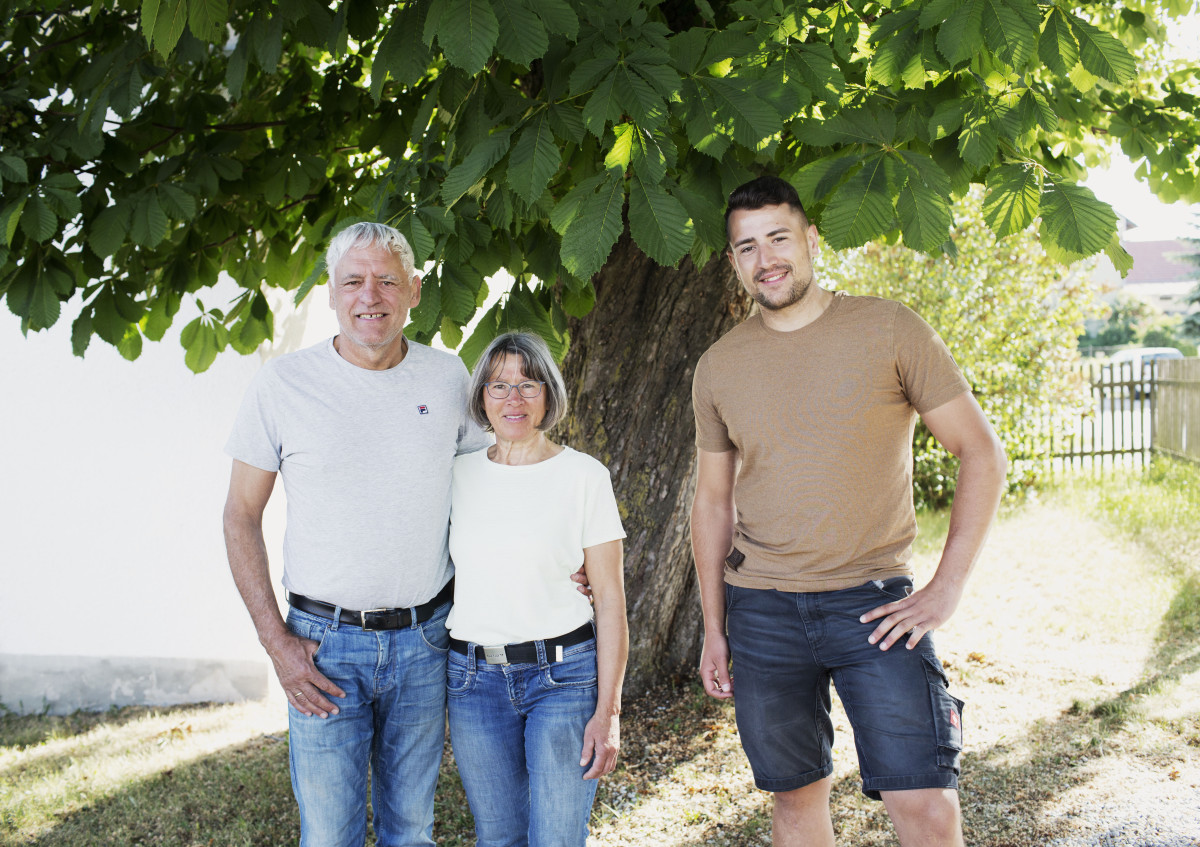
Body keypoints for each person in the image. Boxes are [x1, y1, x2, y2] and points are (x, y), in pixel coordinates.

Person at [690, 176, 1007, 847]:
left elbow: (980, 452)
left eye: (778, 237)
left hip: (875, 607)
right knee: (795, 803)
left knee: (924, 803)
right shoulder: (718, 366)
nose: (765, 257)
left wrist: (945, 589)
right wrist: (714, 626)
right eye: (746, 246)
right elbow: (714, 502)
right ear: (733, 262)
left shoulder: (890, 327)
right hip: (764, 610)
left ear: (810, 238)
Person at [222, 222, 489, 847]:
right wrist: (276, 642)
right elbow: (239, 514)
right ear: (333, 292)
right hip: (321, 647)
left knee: (410, 831)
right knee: (329, 834)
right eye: (354, 281)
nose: (371, 296)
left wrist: (565, 556)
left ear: (415, 291)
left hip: (426, 641)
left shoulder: (449, 378)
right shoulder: (282, 385)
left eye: (387, 281)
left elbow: (489, 494)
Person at [445, 331, 628, 847]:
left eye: (528, 385)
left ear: (549, 393)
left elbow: (611, 600)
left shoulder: (584, 477)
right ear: (481, 395)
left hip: (563, 678)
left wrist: (608, 711)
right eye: (499, 386)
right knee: (498, 838)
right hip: (473, 681)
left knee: (557, 838)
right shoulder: (457, 475)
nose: (514, 399)